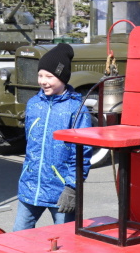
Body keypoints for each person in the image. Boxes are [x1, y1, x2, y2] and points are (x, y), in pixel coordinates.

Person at [13, 43, 92, 231]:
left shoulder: (76, 109)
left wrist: (72, 187)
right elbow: (30, 144)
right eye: (40, 75)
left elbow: (82, 152)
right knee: (18, 237)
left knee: (65, 241)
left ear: (63, 78)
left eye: (49, 76)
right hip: (30, 187)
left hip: (61, 190)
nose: (43, 81)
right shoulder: (33, 104)